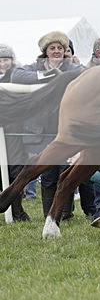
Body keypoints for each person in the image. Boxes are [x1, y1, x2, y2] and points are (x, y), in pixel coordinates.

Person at [11, 31, 88, 219]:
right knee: (47, 174)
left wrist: (61, 76)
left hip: (65, 127)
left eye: (60, 48)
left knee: (65, 172)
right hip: (42, 130)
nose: (56, 51)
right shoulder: (33, 67)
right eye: (52, 48)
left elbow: (85, 73)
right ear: (45, 51)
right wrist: (47, 75)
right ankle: (48, 214)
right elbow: (16, 75)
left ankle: (65, 214)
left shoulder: (73, 66)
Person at [0, 43, 31, 221]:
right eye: (0, 60)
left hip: (13, 128)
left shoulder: (18, 76)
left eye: (6, 59)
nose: (3, 63)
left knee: (15, 169)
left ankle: (17, 211)